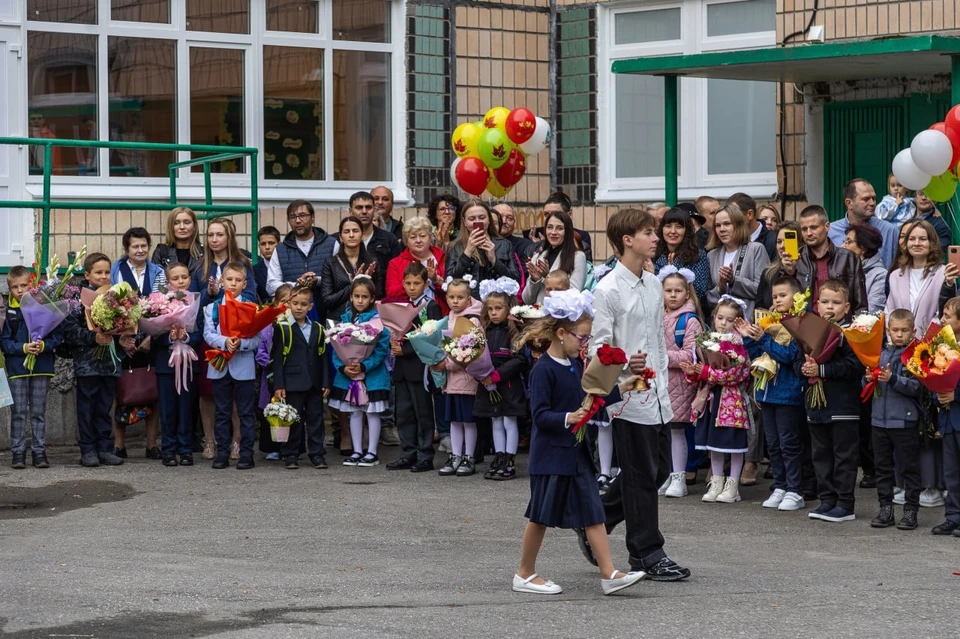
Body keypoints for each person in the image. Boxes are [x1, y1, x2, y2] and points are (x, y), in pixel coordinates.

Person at [579, 208, 690, 582]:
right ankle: (646, 551)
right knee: (642, 474)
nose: (655, 238)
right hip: (628, 394)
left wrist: (662, 385)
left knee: (656, 470)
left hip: (656, 390)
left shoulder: (654, 282)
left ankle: (598, 517)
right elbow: (600, 346)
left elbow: (657, 340)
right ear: (628, 240)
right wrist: (626, 364)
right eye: (647, 232)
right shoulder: (608, 288)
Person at [512, 289, 644, 597]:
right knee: (540, 516)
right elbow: (540, 415)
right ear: (561, 333)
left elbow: (589, 400)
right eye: (581, 338)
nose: (584, 344)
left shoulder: (573, 365)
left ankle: (609, 573)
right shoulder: (544, 368)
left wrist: (624, 385)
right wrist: (569, 418)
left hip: (576, 454)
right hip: (551, 457)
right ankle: (524, 573)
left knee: (593, 511)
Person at [739, 276, 806, 511]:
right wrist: (750, 337)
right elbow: (758, 354)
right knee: (774, 444)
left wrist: (764, 338)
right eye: (775, 296)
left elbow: (788, 356)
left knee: (789, 443)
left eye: (783, 295)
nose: (777, 300)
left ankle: (795, 489)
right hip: (767, 392)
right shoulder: (770, 323)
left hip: (788, 392)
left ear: (796, 297)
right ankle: (780, 486)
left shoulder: (799, 324)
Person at [797, 279, 861, 523]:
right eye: (825, 302)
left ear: (846, 307)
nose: (829, 307)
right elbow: (796, 360)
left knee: (843, 455)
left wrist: (821, 370)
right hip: (816, 406)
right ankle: (827, 500)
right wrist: (804, 367)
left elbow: (854, 366)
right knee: (820, 455)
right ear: (816, 304)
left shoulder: (852, 333)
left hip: (843, 406)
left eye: (836, 302)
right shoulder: (809, 330)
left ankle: (845, 504)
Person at [682, 296, 751, 504]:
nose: (723, 323)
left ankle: (733, 485)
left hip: (732, 403)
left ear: (738, 322)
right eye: (720, 318)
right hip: (713, 399)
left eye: (729, 320)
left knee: (732, 443)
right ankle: (717, 481)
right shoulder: (708, 341)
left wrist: (705, 372)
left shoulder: (739, 346)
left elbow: (738, 374)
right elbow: (701, 374)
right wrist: (693, 372)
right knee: (714, 444)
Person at [64, 253, 125, 467]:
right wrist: (93, 337)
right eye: (98, 272)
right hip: (87, 364)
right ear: (87, 274)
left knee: (104, 406)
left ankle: (104, 448)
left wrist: (125, 337)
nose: (103, 276)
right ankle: (88, 449)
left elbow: (125, 324)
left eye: (107, 272)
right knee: (87, 407)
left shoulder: (116, 296)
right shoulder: (76, 299)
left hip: (109, 362)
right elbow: (70, 331)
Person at [2, 266, 64, 469]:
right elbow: (5, 343)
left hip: (41, 367)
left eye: (24, 285)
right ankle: (18, 453)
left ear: (33, 284)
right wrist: (23, 348)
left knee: (38, 411)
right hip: (17, 370)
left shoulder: (45, 305)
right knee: (18, 412)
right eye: (15, 287)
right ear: (9, 289)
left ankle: (39, 451)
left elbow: (57, 336)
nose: (20, 290)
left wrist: (43, 345)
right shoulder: (7, 313)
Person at [111, 227, 165, 459]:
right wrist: (123, 338)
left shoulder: (158, 271)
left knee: (151, 390)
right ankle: (119, 445)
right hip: (123, 339)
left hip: (150, 340)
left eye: (144, 245)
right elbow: (111, 303)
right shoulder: (116, 269)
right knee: (121, 391)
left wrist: (152, 336)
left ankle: (151, 444)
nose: (140, 250)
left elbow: (163, 304)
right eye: (135, 246)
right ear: (127, 249)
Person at [867, 309, 922, 530]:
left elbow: (917, 387)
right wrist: (868, 378)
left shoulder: (917, 355)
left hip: (904, 421)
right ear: (887, 331)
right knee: (882, 467)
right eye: (895, 330)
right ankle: (885, 509)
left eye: (904, 330)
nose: (899, 334)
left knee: (909, 468)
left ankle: (911, 511)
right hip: (879, 420)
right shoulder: (879, 353)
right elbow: (867, 387)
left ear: (913, 331)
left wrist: (893, 379)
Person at [203, 262, 261, 470]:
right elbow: (208, 334)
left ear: (245, 284)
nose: (233, 284)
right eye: (229, 280)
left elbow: (256, 339)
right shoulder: (212, 307)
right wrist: (224, 342)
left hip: (243, 365)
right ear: (221, 281)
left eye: (238, 280)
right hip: (219, 365)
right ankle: (222, 453)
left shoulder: (251, 307)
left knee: (245, 412)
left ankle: (246, 453)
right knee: (222, 411)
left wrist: (241, 344)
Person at [386, 263, 443, 473]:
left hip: (420, 368)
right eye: (408, 283)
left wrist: (406, 349)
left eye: (417, 283)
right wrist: (394, 342)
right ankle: (408, 452)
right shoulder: (402, 306)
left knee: (423, 412)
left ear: (426, 283)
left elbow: (431, 339)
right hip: (402, 369)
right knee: (403, 412)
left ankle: (425, 454)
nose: (412, 287)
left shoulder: (431, 306)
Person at [330, 276, 391, 468]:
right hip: (349, 376)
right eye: (356, 296)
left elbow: (381, 350)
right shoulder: (344, 319)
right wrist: (343, 367)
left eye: (364, 297)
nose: (360, 300)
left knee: (372, 413)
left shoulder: (377, 321)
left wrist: (364, 366)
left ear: (372, 298)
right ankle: (357, 450)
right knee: (354, 413)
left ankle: (371, 451)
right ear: (351, 297)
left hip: (372, 377)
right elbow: (336, 348)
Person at [657, 267, 704, 499]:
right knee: (663, 432)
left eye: (678, 290)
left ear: (687, 294)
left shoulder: (690, 321)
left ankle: (679, 478)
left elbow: (691, 355)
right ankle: (667, 474)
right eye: (668, 290)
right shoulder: (656, 316)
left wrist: (663, 357)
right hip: (659, 382)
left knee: (677, 431)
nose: (673, 295)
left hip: (679, 384)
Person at [271, 287, 330, 470]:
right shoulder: (282, 327)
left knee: (316, 419)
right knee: (293, 420)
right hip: (292, 382)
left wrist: (325, 382)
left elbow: (323, 357)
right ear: (288, 304)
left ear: (310, 306)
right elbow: (278, 357)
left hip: (314, 382)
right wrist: (278, 384)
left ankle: (317, 454)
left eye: (303, 304)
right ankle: (290, 454)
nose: (298, 308)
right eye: (295, 303)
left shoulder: (318, 329)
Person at [475, 278, 528, 481]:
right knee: (495, 420)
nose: (494, 313)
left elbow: (520, 359)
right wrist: (479, 373)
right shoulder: (484, 331)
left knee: (508, 420)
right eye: (490, 309)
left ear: (509, 309)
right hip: (488, 385)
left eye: (499, 308)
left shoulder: (514, 331)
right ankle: (499, 455)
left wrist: (497, 374)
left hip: (508, 384)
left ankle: (509, 458)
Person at [153, 263, 202, 467]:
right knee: (168, 408)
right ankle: (169, 449)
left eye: (184, 277)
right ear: (168, 282)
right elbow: (154, 335)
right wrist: (170, 337)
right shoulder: (159, 303)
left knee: (186, 407)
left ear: (190, 279)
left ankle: (185, 449)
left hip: (188, 363)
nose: (180, 281)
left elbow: (201, 333)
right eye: (175, 278)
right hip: (166, 364)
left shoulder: (195, 302)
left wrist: (187, 336)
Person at [435, 276, 484, 476]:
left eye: (460, 297)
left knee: (467, 420)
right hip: (451, 379)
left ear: (468, 298)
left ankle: (469, 457)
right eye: (451, 297)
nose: (455, 301)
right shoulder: (450, 317)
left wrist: (447, 363)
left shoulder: (472, 319)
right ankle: (456, 455)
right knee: (454, 420)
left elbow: (473, 349)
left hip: (466, 378)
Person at [782, 205, 867, 314]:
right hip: (804, 325)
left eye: (813, 227)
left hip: (841, 326)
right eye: (804, 229)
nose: (808, 233)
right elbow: (782, 299)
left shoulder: (849, 258)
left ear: (827, 227)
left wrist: (857, 328)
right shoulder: (795, 258)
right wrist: (789, 272)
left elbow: (860, 303)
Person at [884, 219, 951, 335]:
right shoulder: (895, 275)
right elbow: (890, 312)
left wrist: (924, 345)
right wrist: (895, 342)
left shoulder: (944, 273)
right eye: (911, 239)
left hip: (932, 347)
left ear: (932, 243)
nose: (916, 243)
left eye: (923, 239)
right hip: (900, 347)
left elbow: (942, 315)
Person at [705, 203, 770, 320]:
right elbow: (708, 298)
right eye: (717, 225)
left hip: (747, 324)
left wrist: (734, 280)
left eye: (727, 224)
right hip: (721, 327)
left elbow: (763, 291)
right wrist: (720, 288)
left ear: (739, 225)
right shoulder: (712, 255)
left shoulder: (755, 249)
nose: (722, 229)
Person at [445, 199, 521, 296]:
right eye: (472, 219)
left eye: (482, 217)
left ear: (489, 220)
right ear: (464, 222)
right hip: (467, 305)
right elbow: (449, 281)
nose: (477, 222)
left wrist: (494, 260)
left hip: (496, 303)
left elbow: (515, 281)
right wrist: (467, 253)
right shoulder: (454, 246)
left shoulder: (505, 244)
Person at [266, 199, 336, 304]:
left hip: (327, 310)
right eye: (293, 217)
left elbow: (339, 280)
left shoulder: (332, 244)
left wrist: (317, 280)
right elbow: (271, 286)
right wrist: (297, 285)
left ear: (312, 217)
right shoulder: (280, 250)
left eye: (302, 215)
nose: (298, 221)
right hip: (293, 314)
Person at [932, 297, 960, 538]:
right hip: (949, 420)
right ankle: (953, 516)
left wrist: (955, 394)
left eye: (948, 316)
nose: (942, 319)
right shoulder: (943, 347)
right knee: (950, 472)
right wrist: (939, 395)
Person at [827, 178, 899, 270]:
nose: (872, 203)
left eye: (873, 198)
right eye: (866, 199)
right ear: (849, 203)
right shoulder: (830, 232)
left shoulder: (890, 231)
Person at [320, 216, 381, 321]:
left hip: (367, 322)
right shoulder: (331, 263)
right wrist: (354, 283)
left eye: (355, 231)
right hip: (337, 321)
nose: (351, 235)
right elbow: (327, 301)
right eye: (347, 232)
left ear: (362, 234)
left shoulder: (372, 262)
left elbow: (379, 295)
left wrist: (368, 281)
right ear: (340, 237)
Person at [256, 284, 292, 461]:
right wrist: (271, 364)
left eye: (291, 302)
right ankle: (273, 447)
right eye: (283, 302)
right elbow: (260, 350)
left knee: (289, 410)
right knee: (271, 410)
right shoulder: (267, 326)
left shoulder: (297, 326)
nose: (287, 306)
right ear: (275, 302)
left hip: (292, 376)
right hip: (269, 376)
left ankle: (290, 447)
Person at [385, 216, 447, 314]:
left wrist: (436, 280)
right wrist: (414, 282)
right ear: (406, 241)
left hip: (441, 314)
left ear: (430, 238)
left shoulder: (442, 257)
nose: (418, 240)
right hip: (409, 317)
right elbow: (391, 294)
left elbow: (453, 291)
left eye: (422, 236)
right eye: (413, 237)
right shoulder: (396, 263)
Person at [523, 209, 587, 303]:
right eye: (549, 227)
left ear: (567, 231)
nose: (553, 232)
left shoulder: (577, 257)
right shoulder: (538, 257)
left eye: (559, 228)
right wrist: (534, 280)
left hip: (562, 316)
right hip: (540, 315)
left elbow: (573, 295)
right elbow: (527, 299)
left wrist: (547, 276)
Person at [191, 218, 257, 307]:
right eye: (210, 235)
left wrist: (220, 292)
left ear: (229, 238)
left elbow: (250, 298)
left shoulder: (242, 264)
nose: (214, 240)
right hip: (205, 320)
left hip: (235, 319)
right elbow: (192, 301)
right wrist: (208, 293)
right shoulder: (199, 266)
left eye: (220, 235)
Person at [653, 207, 710, 308]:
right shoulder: (654, 254)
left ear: (686, 230)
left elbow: (699, 292)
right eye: (668, 226)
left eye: (679, 227)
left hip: (688, 316)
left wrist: (674, 270)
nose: (673, 231)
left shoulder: (698, 254)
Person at [345, 191, 401, 280]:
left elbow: (398, 272)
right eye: (359, 207)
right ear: (350, 211)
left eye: (368, 207)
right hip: (348, 292)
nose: (364, 211)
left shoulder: (389, 239)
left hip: (381, 292)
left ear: (375, 210)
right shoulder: (338, 240)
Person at [841, 224, 886, 313]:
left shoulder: (880, 275)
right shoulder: (844, 269)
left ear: (863, 247)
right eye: (844, 241)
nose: (842, 246)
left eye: (848, 242)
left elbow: (873, 311)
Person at [756, 222, 800, 311]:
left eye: (787, 241)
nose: (782, 246)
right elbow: (758, 307)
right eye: (779, 242)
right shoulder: (768, 274)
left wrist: (791, 272)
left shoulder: (807, 270)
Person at [152, 207, 204, 274]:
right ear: (170, 226)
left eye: (187, 222)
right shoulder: (161, 252)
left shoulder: (204, 252)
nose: (182, 227)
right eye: (176, 223)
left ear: (194, 226)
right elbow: (156, 281)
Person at [727, 192, 776, 260]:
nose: (730, 219)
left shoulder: (774, 241)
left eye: (735, 214)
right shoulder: (728, 240)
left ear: (750, 214)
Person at [914, 189, 952, 255]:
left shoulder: (941, 226)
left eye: (928, 194)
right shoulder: (905, 216)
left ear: (935, 200)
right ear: (915, 198)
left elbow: (939, 250)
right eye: (920, 194)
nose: (923, 198)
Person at [254, 226, 281, 302]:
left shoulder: (288, 265)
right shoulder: (254, 271)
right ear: (259, 246)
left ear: (279, 244)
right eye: (263, 244)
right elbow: (255, 297)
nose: (267, 247)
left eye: (271, 243)